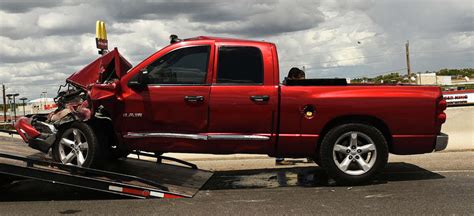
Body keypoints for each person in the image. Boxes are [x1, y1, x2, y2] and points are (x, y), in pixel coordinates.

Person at [276, 67, 306, 166]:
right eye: (300, 79)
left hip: (289, 114)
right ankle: (280, 159)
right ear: (294, 77)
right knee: (284, 137)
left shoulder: (286, 84)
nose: (302, 82)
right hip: (287, 115)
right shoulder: (288, 86)